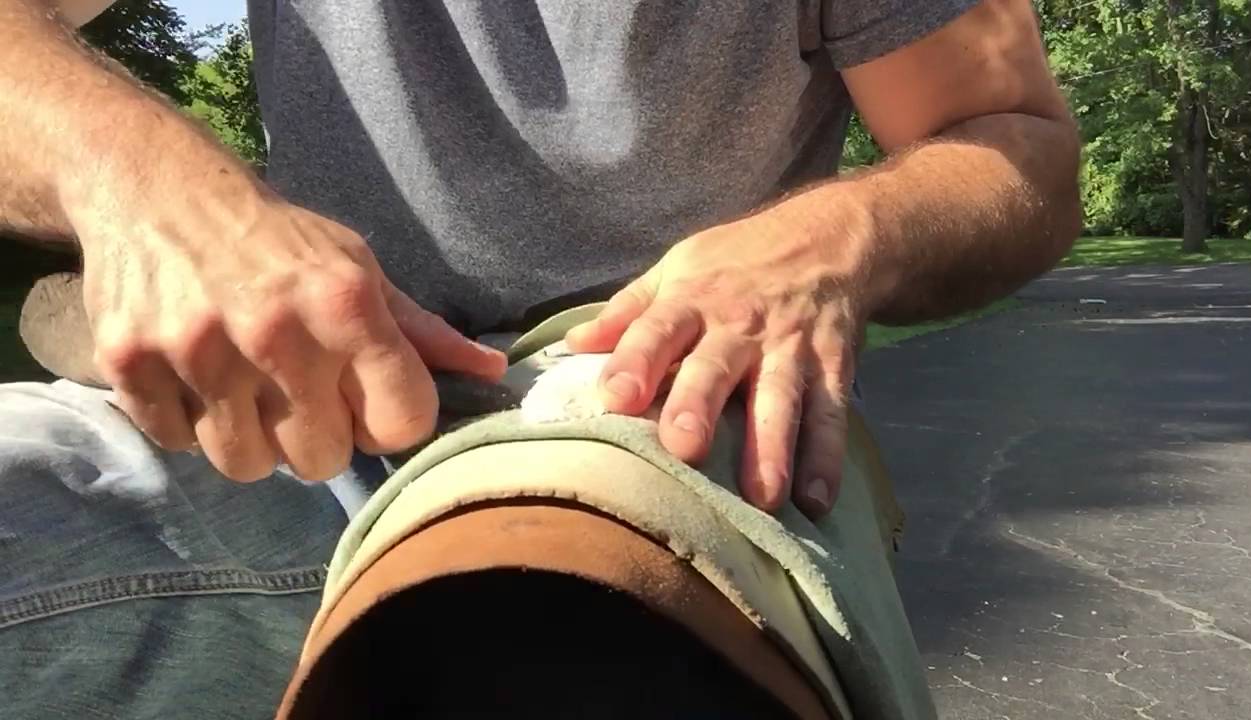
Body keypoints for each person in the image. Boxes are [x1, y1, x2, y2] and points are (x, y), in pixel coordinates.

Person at [0, 0, 1081, 716]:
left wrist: (827, 242)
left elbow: (1011, 136)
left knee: (545, 629)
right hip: (301, 403)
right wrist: (133, 177)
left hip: (638, 389)